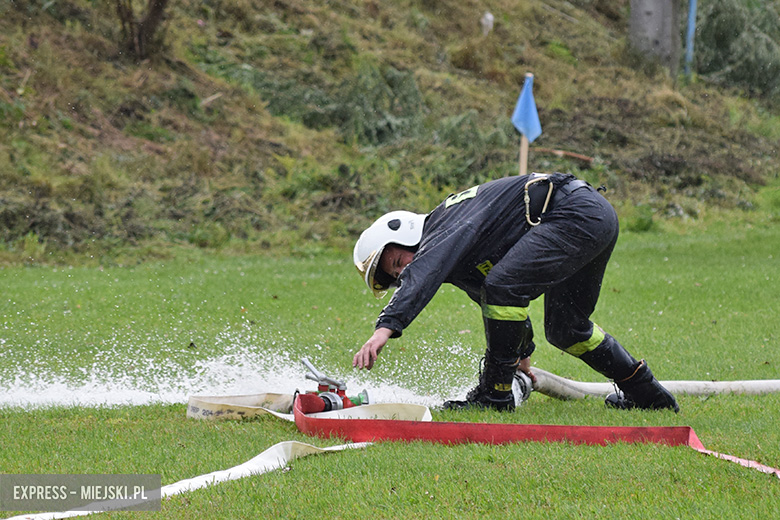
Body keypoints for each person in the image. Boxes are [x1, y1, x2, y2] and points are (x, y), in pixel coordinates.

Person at [351, 172, 679, 412]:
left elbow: (427, 273)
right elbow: (500, 306)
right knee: (567, 329)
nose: (402, 273)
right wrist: (523, 353)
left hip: (575, 214)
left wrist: (385, 329)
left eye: (396, 261)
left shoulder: (443, 224)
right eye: (394, 274)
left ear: (405, 234)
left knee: (501, 287)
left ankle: (494, 397)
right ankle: (647, 394)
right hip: (590, 216)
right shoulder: (456, 254)